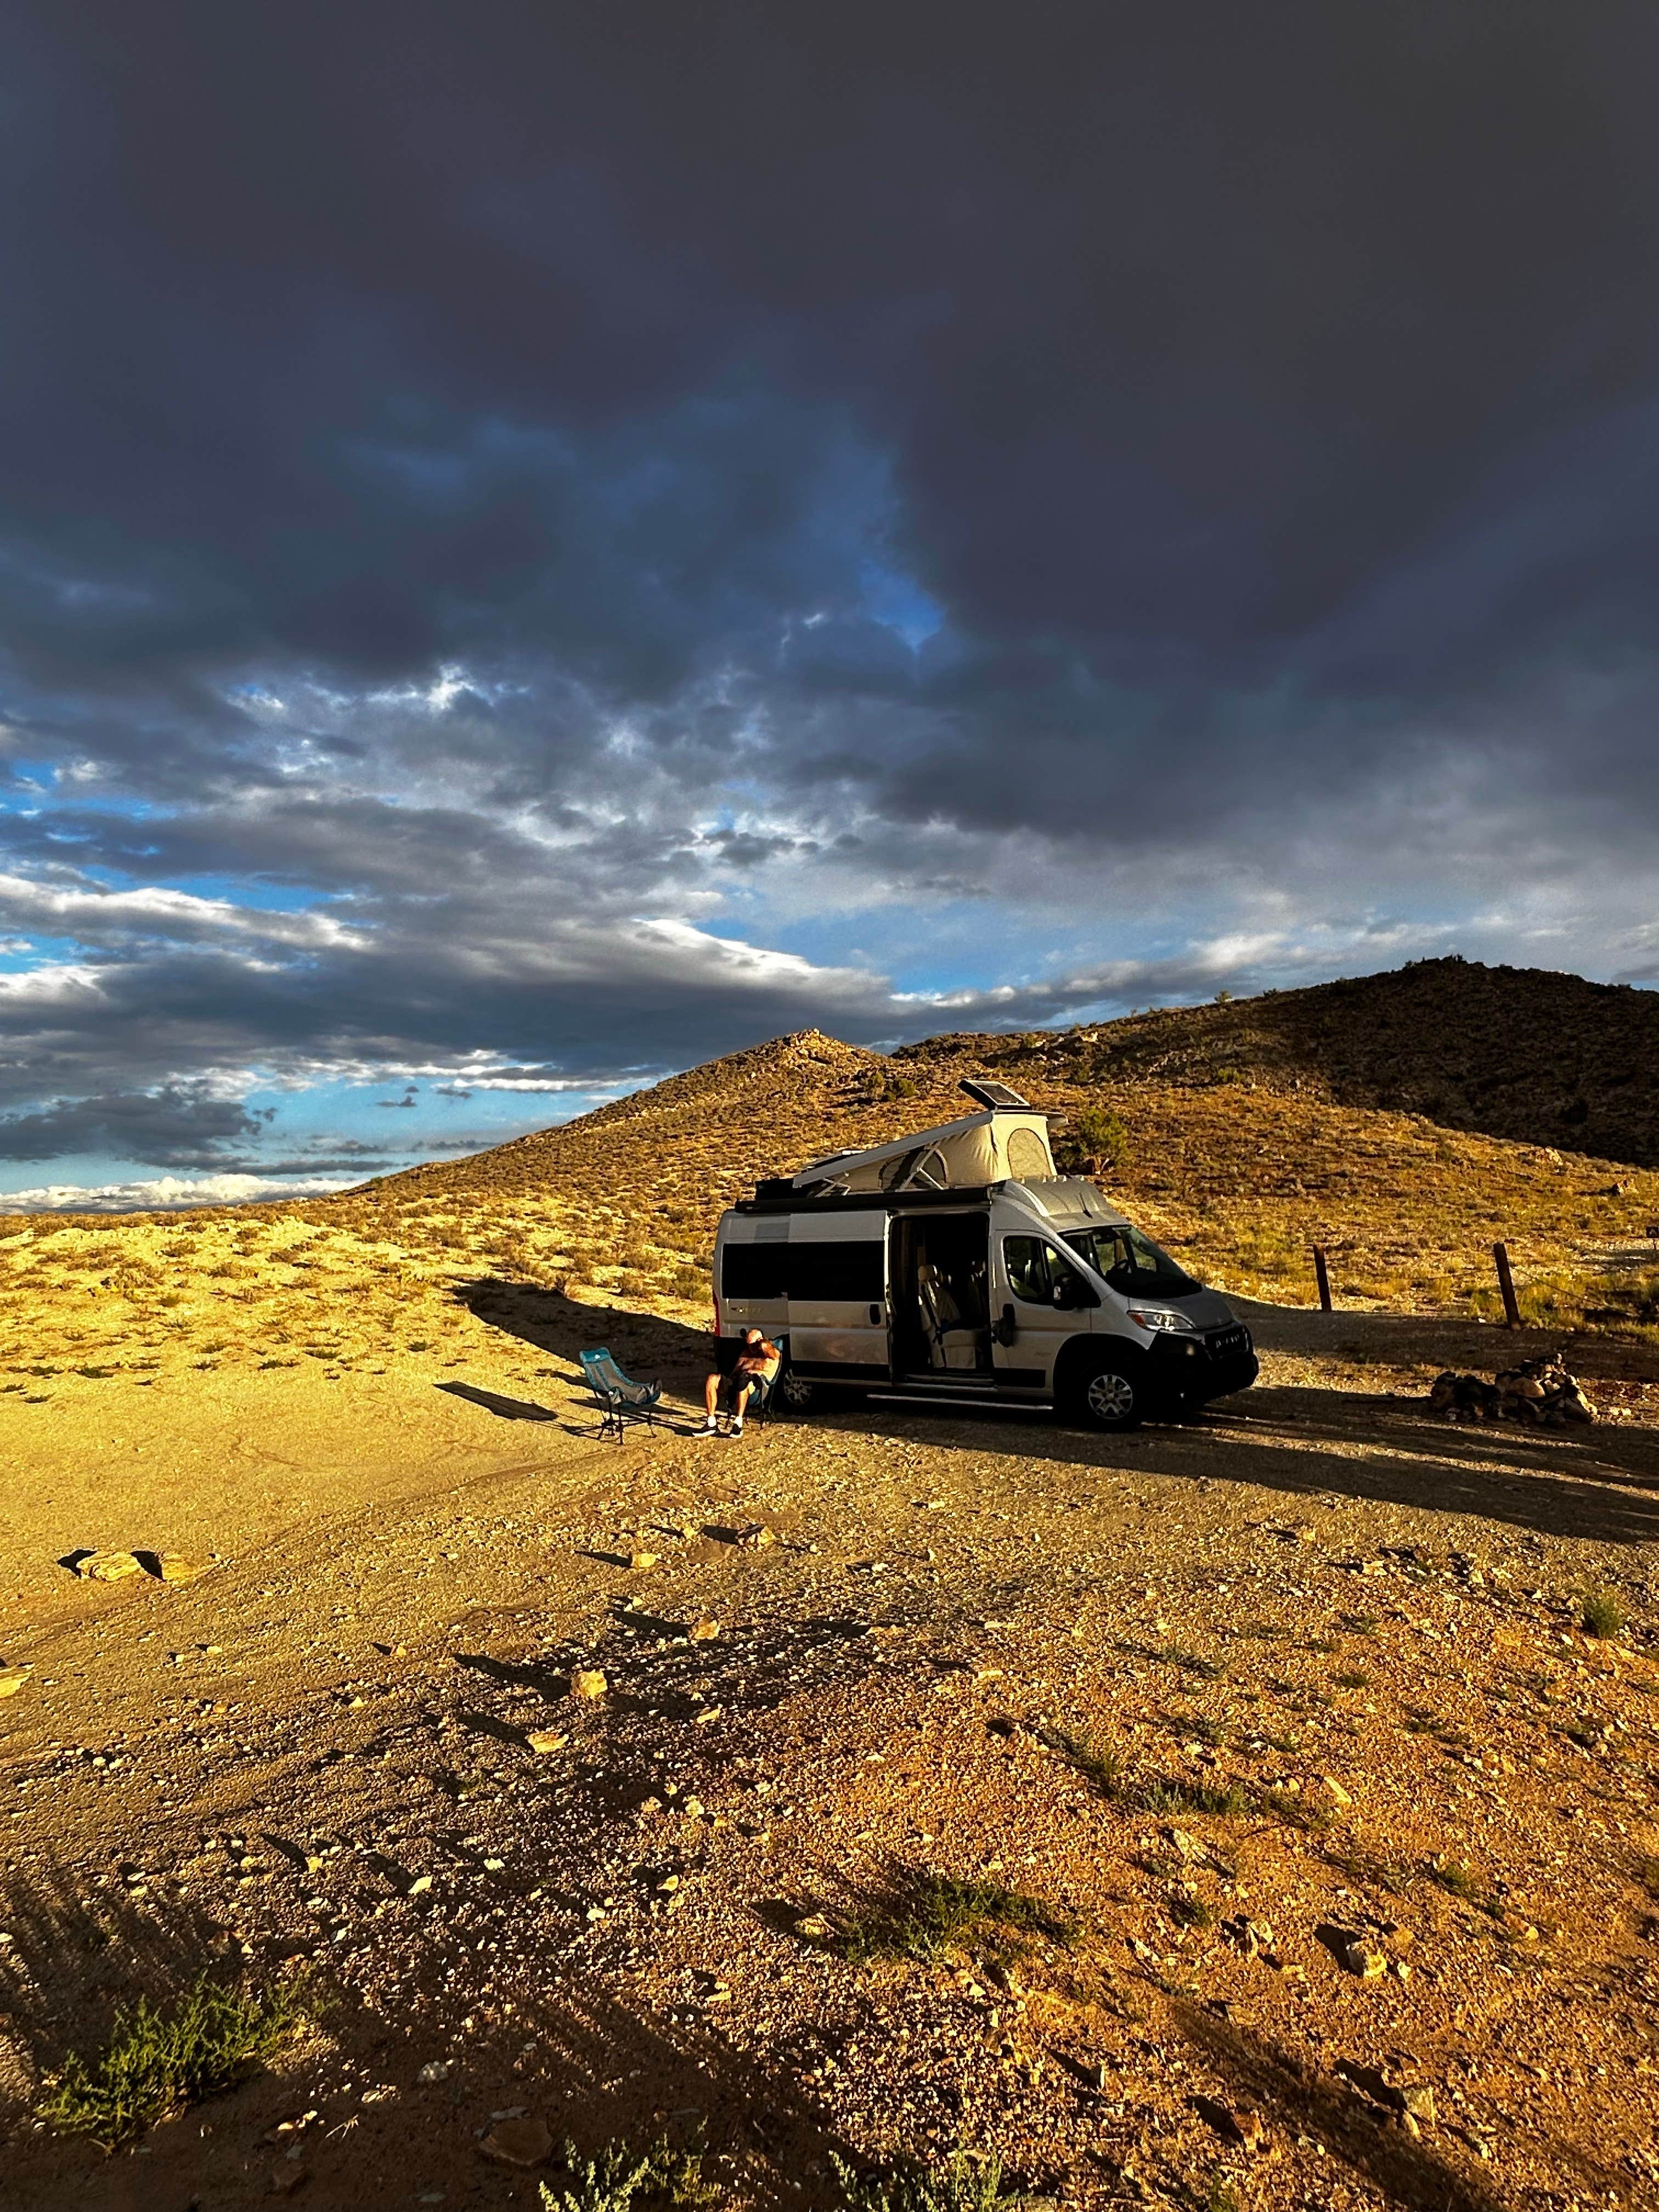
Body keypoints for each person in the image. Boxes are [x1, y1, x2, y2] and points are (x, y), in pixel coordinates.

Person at [700, 1326, 780, 1436]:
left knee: (744, 1380)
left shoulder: (772, 1354)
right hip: (736, 1382)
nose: (750, 1348)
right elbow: (734, 1373)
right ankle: (711, 1423)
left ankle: (738, 1423)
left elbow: (768, 1349)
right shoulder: (746, 1354)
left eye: (753, 1345)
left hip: (756, 1387)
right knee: (712, 1379)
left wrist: (761, 1344)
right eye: (748, 1344)